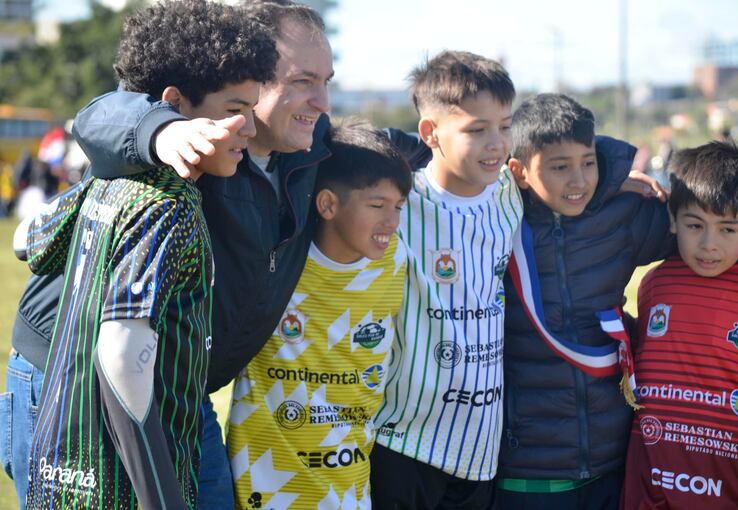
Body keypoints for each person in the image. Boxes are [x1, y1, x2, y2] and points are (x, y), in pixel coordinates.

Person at [2, 1, 337, 508]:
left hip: (181, 388)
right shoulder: (159, 157)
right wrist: (163, 131)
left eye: (328, 80)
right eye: (302, 80)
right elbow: (101, 115)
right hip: (69, 380)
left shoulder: (312, 145)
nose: (323, 101)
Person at [495, 93, 672, 509]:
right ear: (519, 172)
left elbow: (714, 224)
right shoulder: (492, 222)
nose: (578, 181)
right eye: (560, 168)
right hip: (524, 471)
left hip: (612, 462)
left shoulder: (624, 215)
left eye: (588, 163)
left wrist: (611, 175)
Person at [227, 121, 411, 509]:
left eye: (398, 207)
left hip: (349, 488)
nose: (391, 222)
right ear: (327, 204)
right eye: (377, 206)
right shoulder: (279, 257)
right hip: (265, 483)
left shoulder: (397, 260)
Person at [368, 50, 522, 510]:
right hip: (403, 443)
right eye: (476, 130)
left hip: (479, 447)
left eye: (505, 126)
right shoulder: (399, 199)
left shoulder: (513, 194)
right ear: (430, 133)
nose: (496, 143)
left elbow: (578, 161)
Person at [622, 141, 738, 509]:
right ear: (673, 219)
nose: (708, 244)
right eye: (694, 225)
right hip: (651, 494)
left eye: (727, 229)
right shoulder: (655, 284)